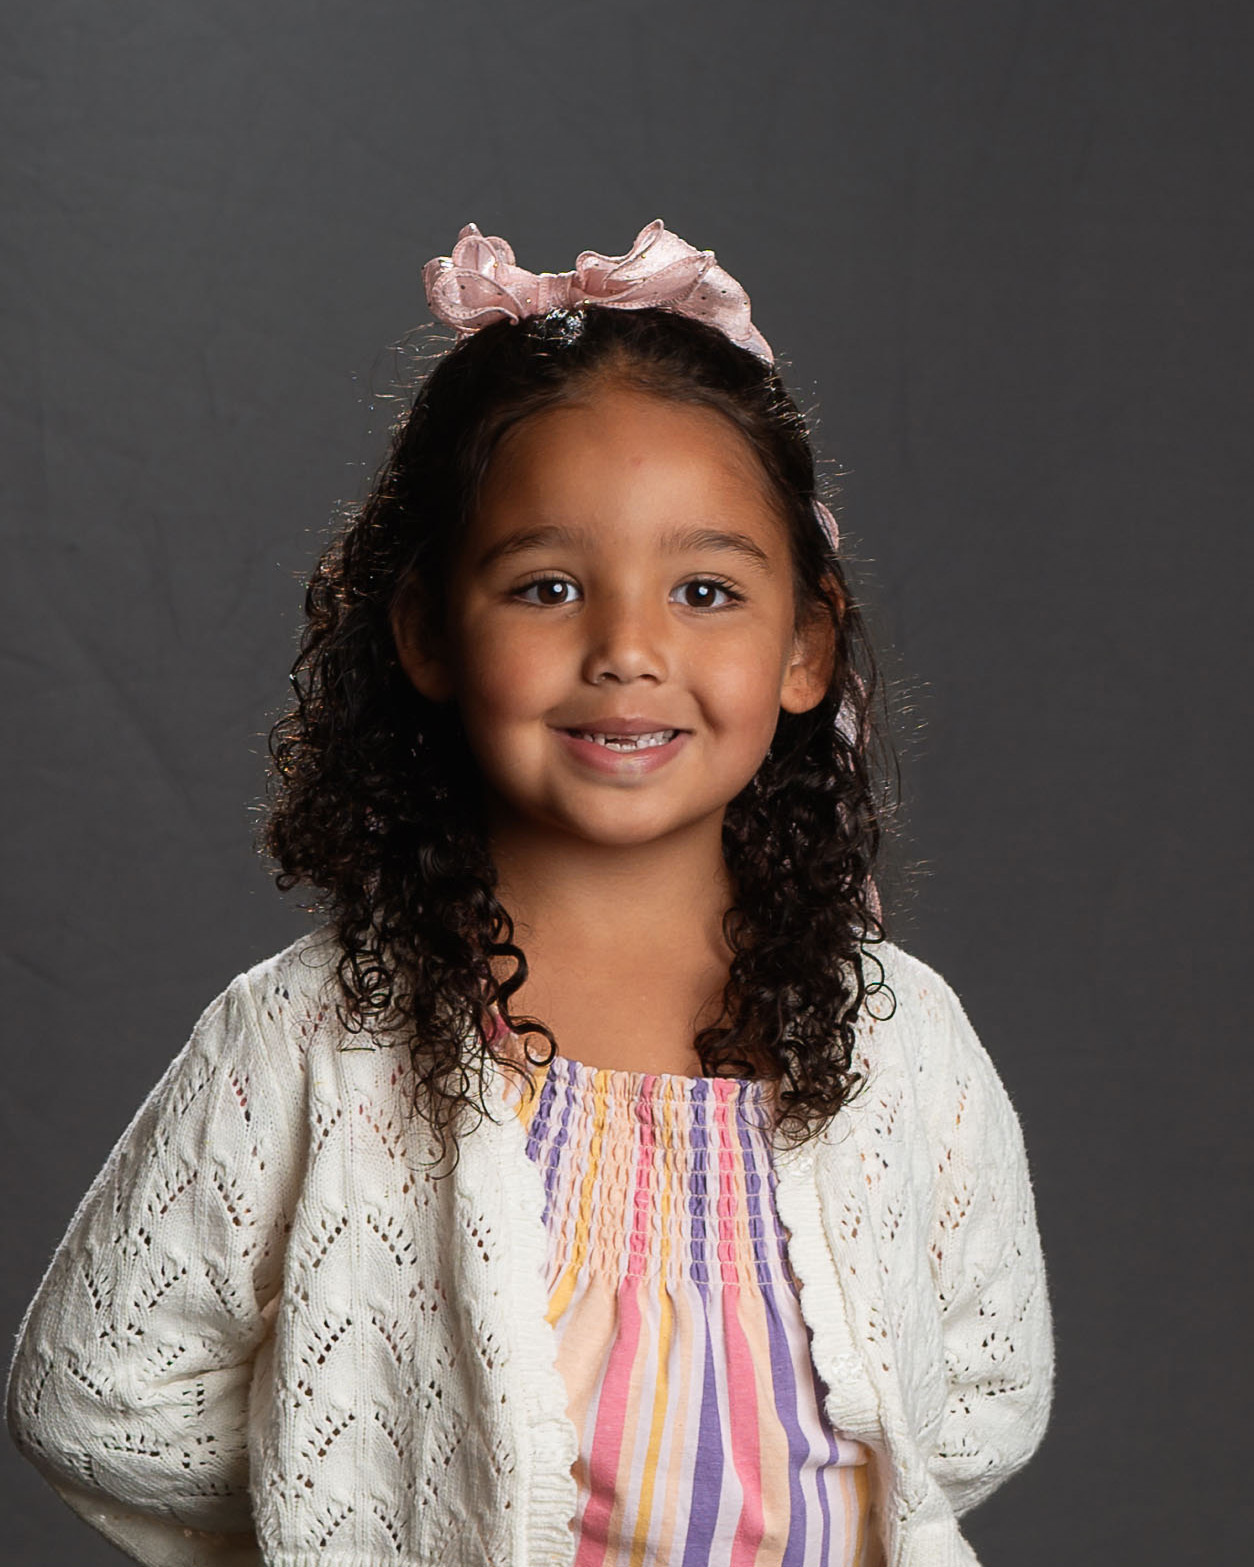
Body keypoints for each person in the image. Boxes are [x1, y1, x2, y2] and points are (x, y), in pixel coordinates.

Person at [5, 219, 1054, 1567]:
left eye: (705, 590)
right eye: (548, 587)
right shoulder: (316, 1038)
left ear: (805, 647)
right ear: (429, 633)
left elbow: (977, 1394)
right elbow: (98, 1392)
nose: (627, 649)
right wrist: (362, 1480)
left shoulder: (896, 1036)